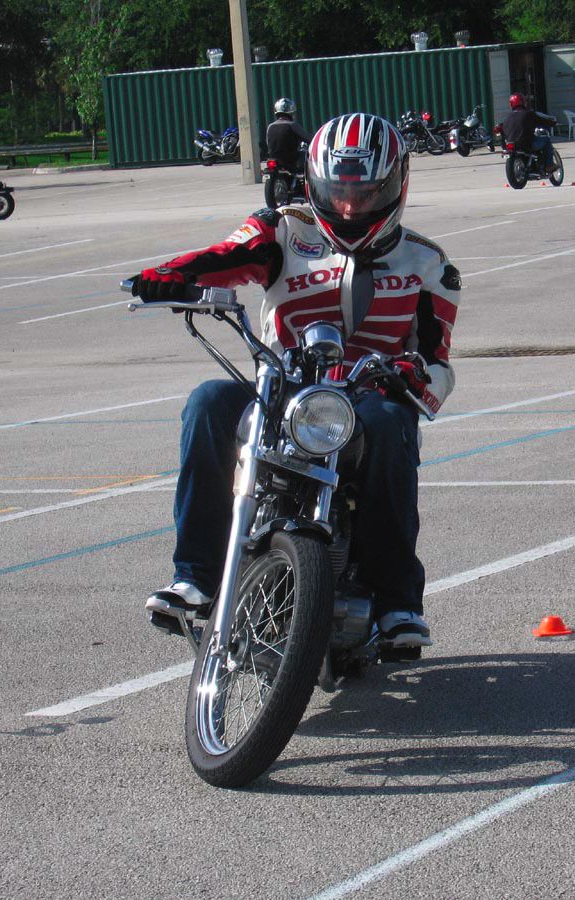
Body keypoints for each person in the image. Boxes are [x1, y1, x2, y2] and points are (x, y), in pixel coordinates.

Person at [129, 112, 461, 649]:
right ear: (314, 183)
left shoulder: (428, 264)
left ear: (397, 185)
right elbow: (226, 257)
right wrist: (172, 275)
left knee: (391, 424)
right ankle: (196, 576)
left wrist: (411, 376)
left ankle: (397, 604)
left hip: (367, 396)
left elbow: (438, 361)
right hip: (283, 388)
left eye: (367, 192)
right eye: (338, 191)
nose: (350, 206)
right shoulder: (283, 229)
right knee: (208, 401)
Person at [501, 93, 557, 174]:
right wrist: (552, 123)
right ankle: (549, 165)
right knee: (546, 139)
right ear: (523, 102)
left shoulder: (508, 117)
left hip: (511, 144)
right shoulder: (529, 113)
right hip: (527, 144)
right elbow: (542, 121)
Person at [265, 97, 309, 173]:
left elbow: (268, 143)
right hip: (290, 159)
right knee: (305, 154)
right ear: (291, 113)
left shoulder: (270, 126)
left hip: (273, 159)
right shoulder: (292, 125)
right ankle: (305, 176)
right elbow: (308, 138)